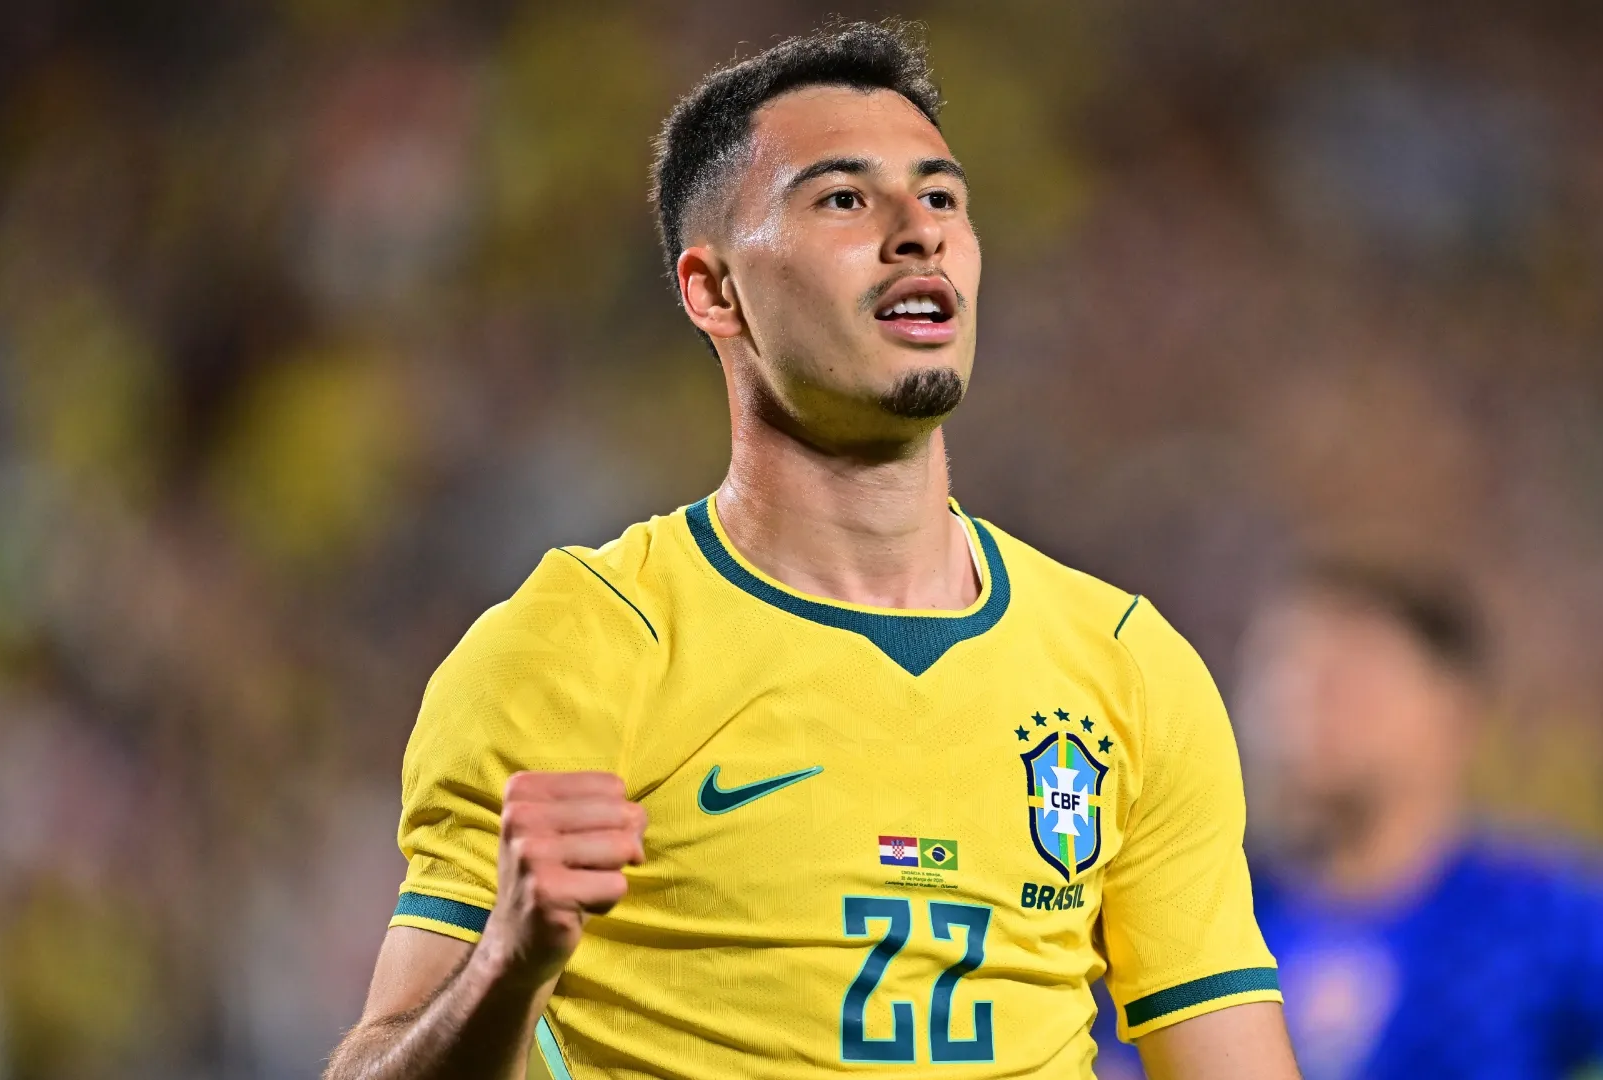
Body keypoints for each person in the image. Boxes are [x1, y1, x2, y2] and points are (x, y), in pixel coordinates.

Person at [323, 22, 1301, 1080]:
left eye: (941, 198)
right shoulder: (576, 647)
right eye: (843, 199)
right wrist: (505, 968)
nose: (917, 232)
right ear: (714, 291)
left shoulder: (1128, 668)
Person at [1231, 562, 1603, 1080]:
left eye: (1347, 679)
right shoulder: (1220, 918)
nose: (1305, 710)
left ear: (1453, 709)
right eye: (1283, 678)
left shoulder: (1553, 913)